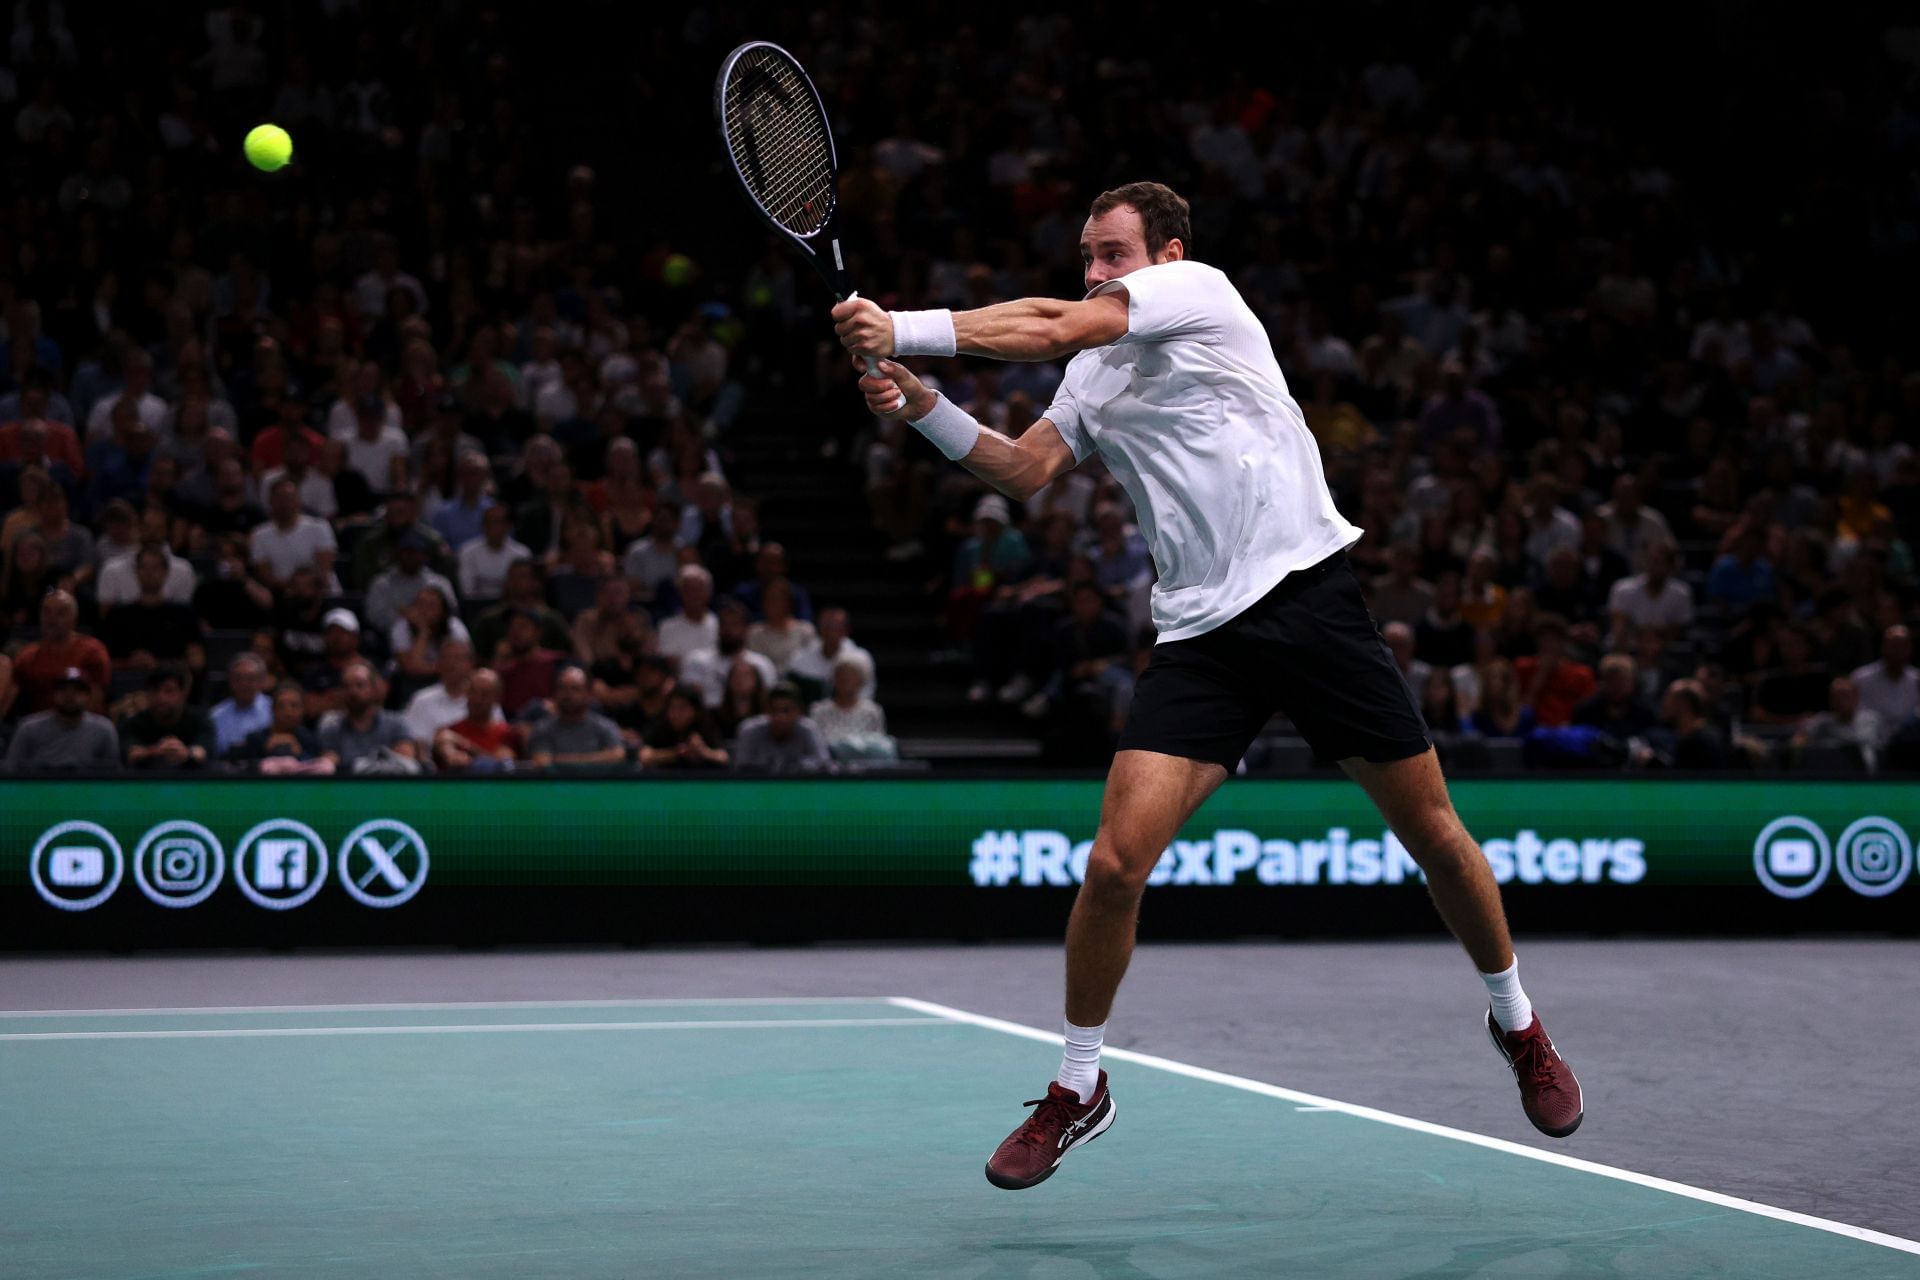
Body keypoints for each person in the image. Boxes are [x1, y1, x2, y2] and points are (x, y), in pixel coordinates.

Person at [837, 181, 1580, 1188]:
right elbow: (1023, 469)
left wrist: (908, 329)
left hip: (1311, 602)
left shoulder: (1201, 294)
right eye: (1088, 255)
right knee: (1112, 864)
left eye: (1114, 252)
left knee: (1435, 836)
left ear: (1168, 253)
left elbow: (1053, 323)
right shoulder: (1098, 376)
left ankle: (1518, 1022)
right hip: (1202, 636)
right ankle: (1078, 1085)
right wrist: (922, 404)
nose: (1096, 271)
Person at [13, 590, 111, 715]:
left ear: (74, 618)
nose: (52, 618)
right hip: (38, 729)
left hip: (80, 726)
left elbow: (96, 701)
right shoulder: (27, 656)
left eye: (61, 613)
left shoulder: (92, 651)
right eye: (46, 612)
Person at [4, 666, 120, 771]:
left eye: (77, 691)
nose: (69, 695)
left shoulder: (104, 729)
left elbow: (114, 774)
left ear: (88, 696)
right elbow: (11, 769)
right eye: (63, 690)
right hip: (39, 791)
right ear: (53, 694)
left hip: (86, 792)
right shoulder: (29, 728)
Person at [316, 659, 418, 770]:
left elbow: (405, 765)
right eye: (346, 686)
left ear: (374, 689)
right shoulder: (331, 728)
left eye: (359, 685)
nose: (352, 692)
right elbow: (328, 767)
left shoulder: (397, 723)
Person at [525, 664, 625, 769]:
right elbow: (542, 761)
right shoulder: (542, 729)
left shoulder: (605, 726)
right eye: (562, 688)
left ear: (589, 694)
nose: (568, 694)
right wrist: (598, 758)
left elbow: (618, 755)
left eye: (575, 689)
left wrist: (561, 760)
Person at [119, 664, 215, 769]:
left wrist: (185, 753)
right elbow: (132, 754)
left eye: (169, 691)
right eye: (155, 690)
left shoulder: (200, 720)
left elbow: (201, 753)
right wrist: (156, 750)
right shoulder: (133, 723)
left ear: (183, 693)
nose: (161, 697)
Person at [433, 667, 523, 771]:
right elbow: (446, 750)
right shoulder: (451, 731)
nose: (477, 699)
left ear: (497, 697)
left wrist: (463, 743)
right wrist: (449, 753)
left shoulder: (509, 734)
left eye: (484, 694)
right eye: (473, 692)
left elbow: (499, 766)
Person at [402, 638, 484, 749]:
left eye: (458, 658)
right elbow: (414, 743)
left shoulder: (483, 699)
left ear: (471, 664)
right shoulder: (422, 700)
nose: (451, 664)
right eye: (446, 658)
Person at [730, 682, 830, 772]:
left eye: (786, 710)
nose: (780, 717)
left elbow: (824, 765)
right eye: (775, 710)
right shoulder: (749, 731)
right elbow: (740, 769)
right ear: (767, 711)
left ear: (799, 711)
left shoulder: (808, 729)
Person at [785, 607, 877, 705]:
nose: (830, 631)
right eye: (827, 625)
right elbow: (791, 695)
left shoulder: (861, 659)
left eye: (836, 626)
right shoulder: (799, 658)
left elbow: (866, 696)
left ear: (847, 630)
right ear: (819, 628)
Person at [236, 684, 333, 774]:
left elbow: (318, 772)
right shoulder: (255, 739)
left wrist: (299, 753)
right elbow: (244, 771)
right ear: (272, 710)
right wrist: (266, 754)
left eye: (294, 706)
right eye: (281, 706)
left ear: (302, 710)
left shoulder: (311, 739)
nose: (288, 712)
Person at [457, 503, 533, 603]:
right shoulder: (467, 552)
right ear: (483, 526)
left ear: (508, 526)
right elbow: (467, 591)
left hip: (514, 604)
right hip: (478, 607)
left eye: (498, 522)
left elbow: (525, 589)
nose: (494, 527)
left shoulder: (522, 553)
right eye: (489, 522)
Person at [639, 685, 728, 769]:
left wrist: (703, 751)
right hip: (663, 781)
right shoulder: (659, 724)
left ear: (695, 710)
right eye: (672, 707)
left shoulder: (705, 726)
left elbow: (723, 758)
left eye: (682, 708)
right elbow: (644, 757)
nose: (676, 714)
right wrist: (676, 753)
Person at [210, 652, 273, 758]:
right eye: (238, 678)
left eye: (250, 679)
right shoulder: (216, 715)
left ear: (261, 681)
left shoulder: (274, 709)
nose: (244, 684)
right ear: (230, 681)